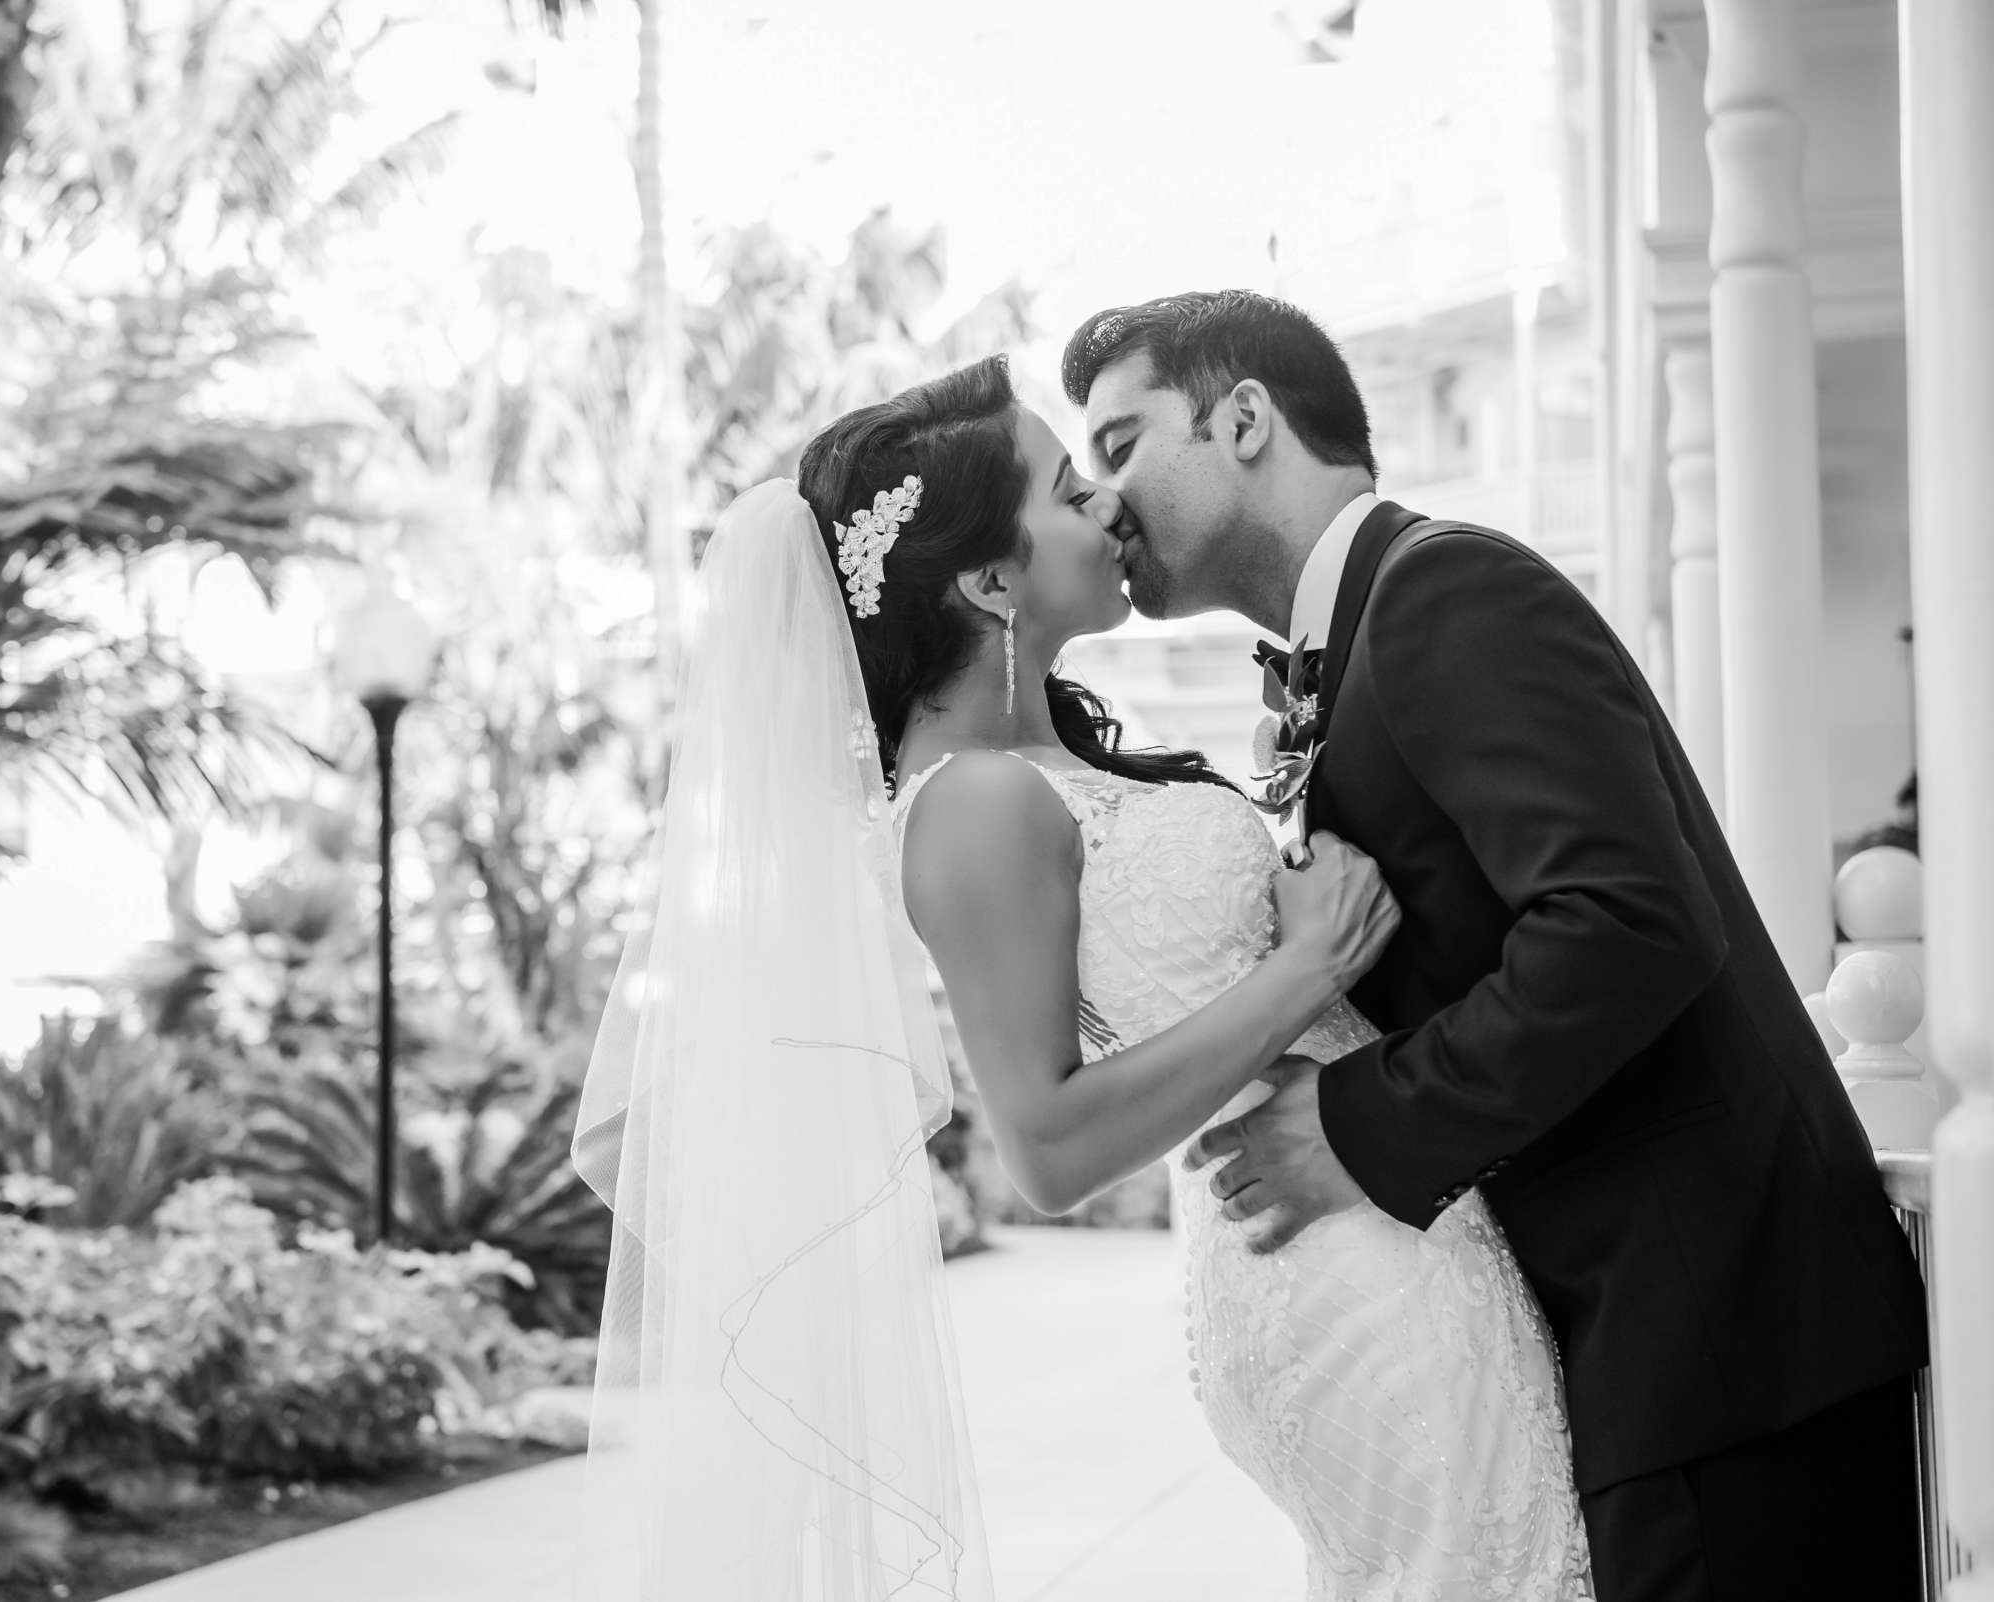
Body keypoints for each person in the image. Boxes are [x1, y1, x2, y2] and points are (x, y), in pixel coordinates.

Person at [575, 352, 1593, 1601]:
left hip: (1360, 1225)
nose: (1110, 503)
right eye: (1069, 489)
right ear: (993, 579)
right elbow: (1048, 1146)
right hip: (1334, 1267)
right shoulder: (973, 806)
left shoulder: (1047, 768)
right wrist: (1307, 966)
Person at [1065, 289, 1930, 1602]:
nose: (1100, 496)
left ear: (1243, 419)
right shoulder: (1346, 645)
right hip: (1644, 1348)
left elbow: (1628, 918)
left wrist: (1354, 1120)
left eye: (1121, 442)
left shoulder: (1445, 590)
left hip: (1722, 1343)